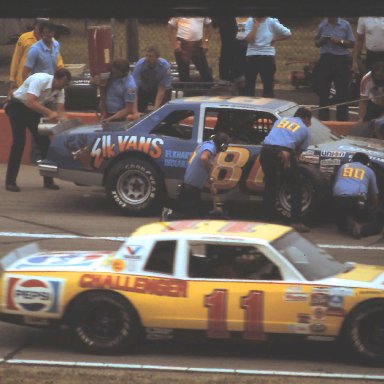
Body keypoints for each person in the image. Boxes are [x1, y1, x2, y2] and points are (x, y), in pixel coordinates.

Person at [5, 68, 72, 192]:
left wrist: (67, 123)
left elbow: (61, 110)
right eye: (63, 82)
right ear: (56, 78)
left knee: (44, 144)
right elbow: (30, 101)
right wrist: (49, 112)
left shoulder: (60, 89)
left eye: (66, 83)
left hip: (33, 111)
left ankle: (48, 180)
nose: (64, 86)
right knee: (19, 143)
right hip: (18, 107)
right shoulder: (39, 79)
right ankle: (10, 181)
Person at [259, 107, 312, 232]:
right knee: (295, 185)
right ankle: (296, 221)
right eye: (310, 120)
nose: (310, 124)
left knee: (270, 185)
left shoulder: (280, 121)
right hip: (283, 154)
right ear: (305, 119)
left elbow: (277, 136)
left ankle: (267, 220)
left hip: (266, 151)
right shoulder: (305, 129)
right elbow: (297, 153)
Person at [170, 132, 230, 219]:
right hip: (190, 189)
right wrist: (209, 172)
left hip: (191, 187)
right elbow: (204, 158)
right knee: (188, 217)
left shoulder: (206, 145)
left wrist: (210, 183)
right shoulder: (210, 147)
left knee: (191, 215)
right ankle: (168, 218)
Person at [332, 152, 382, 239]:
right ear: (367, 163)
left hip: (337, 200)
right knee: (378, 223)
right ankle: (361, 229)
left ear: (352, 160)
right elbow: (374, 194)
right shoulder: (369, 171)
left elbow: (336, 183)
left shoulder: (343, 167)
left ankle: (348, 226)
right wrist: (372, 208)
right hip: (357, 201)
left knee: (341, 224)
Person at [314, 17, 355, 121]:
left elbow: (352, 43)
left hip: (341, 60)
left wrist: (340, 41)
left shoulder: (345, 24)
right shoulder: (322, 24)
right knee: (323, 93)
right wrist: (322, 40)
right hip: (326, 59)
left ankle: (342, 121)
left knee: (342, 93)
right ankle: (324, 120)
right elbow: (316, 43)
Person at [243, 17, 291, 98]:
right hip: (251, 56)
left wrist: (273, 38)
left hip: (267, 56)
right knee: (249, 87)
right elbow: (249, 39)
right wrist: (255, 27)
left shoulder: (271, 21)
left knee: (268, 86)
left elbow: (288, 33)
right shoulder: (248, 22)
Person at [167, 17, 214, 82]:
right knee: (183, 73)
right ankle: (185, 90)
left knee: (205, 71)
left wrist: (206, 42)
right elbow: (170, 27)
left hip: (197, 45)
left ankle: (208, 89)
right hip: (182, 45)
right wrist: (175, 44)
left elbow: (209, 27)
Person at [132, 46, 172, 113]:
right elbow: (135, 88)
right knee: (138, 109)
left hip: (157, 89)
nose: (147, 58)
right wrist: (135, 111)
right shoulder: (140, 65)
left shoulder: (164, 66)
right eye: (146, 55)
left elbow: (161, 89)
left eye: (150, 56)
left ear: (157, 58)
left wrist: (155, 110)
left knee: (162, 110)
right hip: (143, 89)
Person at [96, 58, 137, 123]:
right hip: (104, 111)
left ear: (123, 72)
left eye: (116, 72)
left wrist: (111, 118)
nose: (113, 73)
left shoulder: (130, 86)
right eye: (113, 71)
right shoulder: (112, 74)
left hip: (118, 117)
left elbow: (128, 109)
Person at [212, 17, 248, 87]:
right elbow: (215, 24)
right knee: (227, 53)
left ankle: (238, 76)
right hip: (227, 41)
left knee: (239, 50)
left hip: (238, 40)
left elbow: (242, 35)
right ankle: (225, 78)